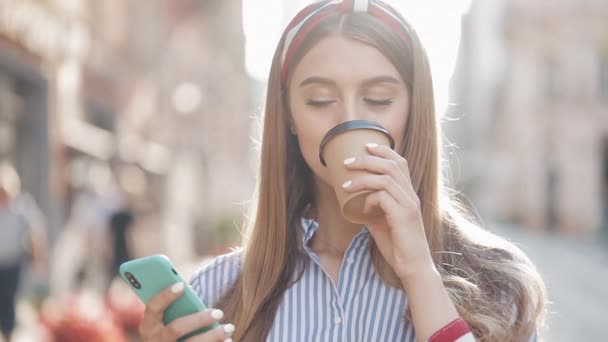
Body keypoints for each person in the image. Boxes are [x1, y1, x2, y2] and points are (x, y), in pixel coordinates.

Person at [138, 1, 547, 341]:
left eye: (378, 98)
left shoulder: (497, 282)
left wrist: (419, 271)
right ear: (290, 118)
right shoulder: (219, 291)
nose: (349, 120)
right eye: (319, 100)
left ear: (414, 110)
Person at [0, 183, 47, 342]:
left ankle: (8, 334)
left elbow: (35, 232)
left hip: (12, 263)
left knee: (8, 300)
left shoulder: (20, 209)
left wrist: (38, 257)